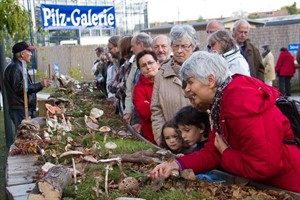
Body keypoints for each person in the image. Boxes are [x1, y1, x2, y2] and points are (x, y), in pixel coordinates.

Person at [150, 51, 300, 193]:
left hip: (290, 185)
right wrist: (177, 164)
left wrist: (226, 153)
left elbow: (265, 165)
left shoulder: (242, 103)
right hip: (275, 186)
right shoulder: (222, 104)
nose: (187, 89)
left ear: (210, 80)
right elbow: (213, 152)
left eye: (190, 82)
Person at [151, 24, 198, 145]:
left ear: (193, 46)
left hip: (198, 142)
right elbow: (156, 109)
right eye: (176, 46)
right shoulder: (161, 74)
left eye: (184, 46)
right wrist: (162, 139)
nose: (179, 51)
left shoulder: (202, 70)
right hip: (172, 142)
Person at [4, 41, 52, 131]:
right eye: (29, 51)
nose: (31, 54)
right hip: (20, 109)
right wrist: (40, 84)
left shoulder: (19, 65)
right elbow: (19, 88)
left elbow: (25, 87)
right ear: (22, 53)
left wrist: (41, 85)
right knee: (24, 135)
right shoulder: (15, 67)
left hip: (22, 108)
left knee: (27, 134)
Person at [123, 33, 153, 132]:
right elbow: (130, 88)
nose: (131, 49)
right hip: (137, 113)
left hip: (149, 117)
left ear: (140, 45)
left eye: (132, 46)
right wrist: (128, 111)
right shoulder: (136, 63)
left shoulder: (154, 63)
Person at [133, 50, 160, 144]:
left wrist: (151, 104)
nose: (148, 67)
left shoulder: (168, 81)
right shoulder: (139, 89)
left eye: (150, 63)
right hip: (153, 137)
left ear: (158, 63)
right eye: (143, 65)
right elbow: (145, 113)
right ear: (140, 70)